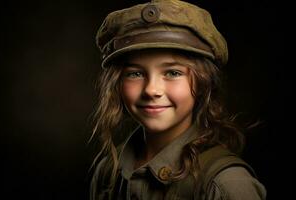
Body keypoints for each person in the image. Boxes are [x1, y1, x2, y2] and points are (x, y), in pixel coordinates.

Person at [89, 0, 266, 199]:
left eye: (173, 73)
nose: (151, 90)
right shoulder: (108, 171)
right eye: (135, 74)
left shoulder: (226, 185)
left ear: (202, 83)